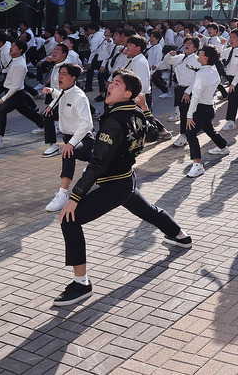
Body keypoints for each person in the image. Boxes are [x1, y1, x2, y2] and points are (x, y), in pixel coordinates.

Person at [53, 70, 192, 307]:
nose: (110, 85)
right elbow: (153, 134)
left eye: (117, 84)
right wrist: (146, 107)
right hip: (125, 179)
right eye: (111, 82)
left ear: (128, 93)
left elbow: (98, 165)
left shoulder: (115, 120)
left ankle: (81, 284)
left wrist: (74, 197)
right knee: (148, 211)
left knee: (69, 219)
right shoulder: (135, 111)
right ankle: (180, 236)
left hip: (116, 184)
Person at [44, 62, 98, 212]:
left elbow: (87, 124)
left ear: (73, 78)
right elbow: (60, 95)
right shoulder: (64, 91)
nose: (60, 76)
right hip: (69, 138)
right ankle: (105, 166)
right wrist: (51, 92)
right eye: (59, 73)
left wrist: (72, 143)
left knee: (69, 153)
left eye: (64, 74)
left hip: (83, 138)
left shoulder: (80, 97)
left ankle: (63, 194)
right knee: (94, 160)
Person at [179, 45, 230, 178]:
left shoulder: (202, 73)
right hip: (208, 108)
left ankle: (197, 165)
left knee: (190, 132)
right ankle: (223, 147)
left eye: (200, 53)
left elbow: (195, 96)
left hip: (202, 108)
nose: (198, 54)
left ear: (206, 57)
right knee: (209, 129)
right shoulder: (212, 70)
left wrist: (189, 116)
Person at [0, 39, 47, 152]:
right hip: (15, 92)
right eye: (12, 45)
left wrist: (4, 98)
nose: (11, 47)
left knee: (2, 111)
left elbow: (16, 86)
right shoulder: (15, 60)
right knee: (27, 112)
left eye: (14, 46)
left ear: (20, 50)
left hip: (16, 93)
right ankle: (44, 125)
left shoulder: (19, 64)